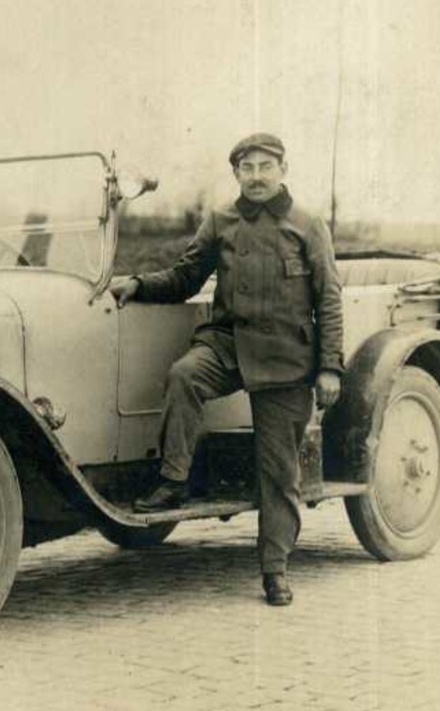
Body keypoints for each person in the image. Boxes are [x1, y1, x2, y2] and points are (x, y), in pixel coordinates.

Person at [109, 133, 344, 607]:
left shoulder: (308, 224)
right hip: (228, 344)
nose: (256, 176)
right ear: (236, 173)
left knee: (278, 472)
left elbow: (329, 300)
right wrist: (136, 284)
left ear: (282, 170)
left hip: (285, 359)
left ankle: (275, 570)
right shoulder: (221, 220)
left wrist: (329, 369)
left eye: (265, 167)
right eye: (247, 168)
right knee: (184, 375)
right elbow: (183, 277)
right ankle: (173, 483)